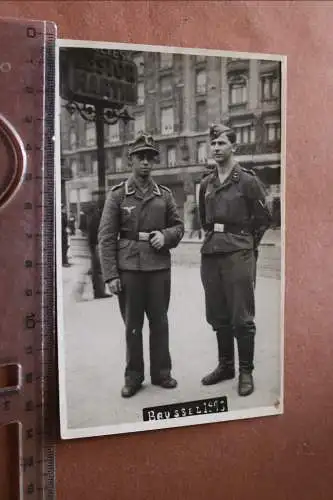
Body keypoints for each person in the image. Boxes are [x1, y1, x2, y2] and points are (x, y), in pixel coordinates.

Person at [98, 133, 184, 398]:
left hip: (158, 268)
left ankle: (162, 373)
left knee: (160, 322)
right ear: (130, 161)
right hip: (129, 269)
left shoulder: (165, 195)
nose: (146, 162)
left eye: (150, 157)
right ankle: (134, 376)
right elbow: (106, 236)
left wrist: (166, 236)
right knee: (132, 325)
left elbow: (179, 227)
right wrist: (111, 274)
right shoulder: (117, 196)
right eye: (140, 157)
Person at [198, 123, 271, 397]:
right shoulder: (206, 183)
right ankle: (226, 366)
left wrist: (248, 247)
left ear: (233, 147)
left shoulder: (247, 181)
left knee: (241, 316)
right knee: (217, 314)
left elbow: (263, 219)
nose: (216, 148)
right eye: (213, 144)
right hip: (212, 254)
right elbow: (205, 220)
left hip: (239, 252)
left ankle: (246, 371)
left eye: (222, 143)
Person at [87, 192, 111, 299]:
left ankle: (99, 291)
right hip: (97, 244)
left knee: (97, 269)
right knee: (99, 269)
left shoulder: (94, 216)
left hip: (94, 244)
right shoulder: (98, 217)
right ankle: (100, 292)